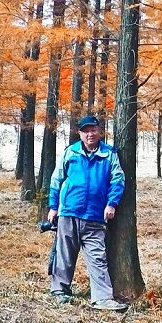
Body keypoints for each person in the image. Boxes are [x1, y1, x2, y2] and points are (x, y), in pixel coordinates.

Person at [46, 115, 128, 310]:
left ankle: (102, 298)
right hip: (69, 212)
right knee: (65, 254)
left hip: (95, 215)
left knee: (98, 257)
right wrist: (53, 206)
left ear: (100, 132)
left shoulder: (109, 154)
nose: (90, 134)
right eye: (86, 130)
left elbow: (118, 180)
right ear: (80, 133)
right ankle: (60, 290)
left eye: (93, 130)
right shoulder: (70, 152)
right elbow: (56, 179)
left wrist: (112, 204)